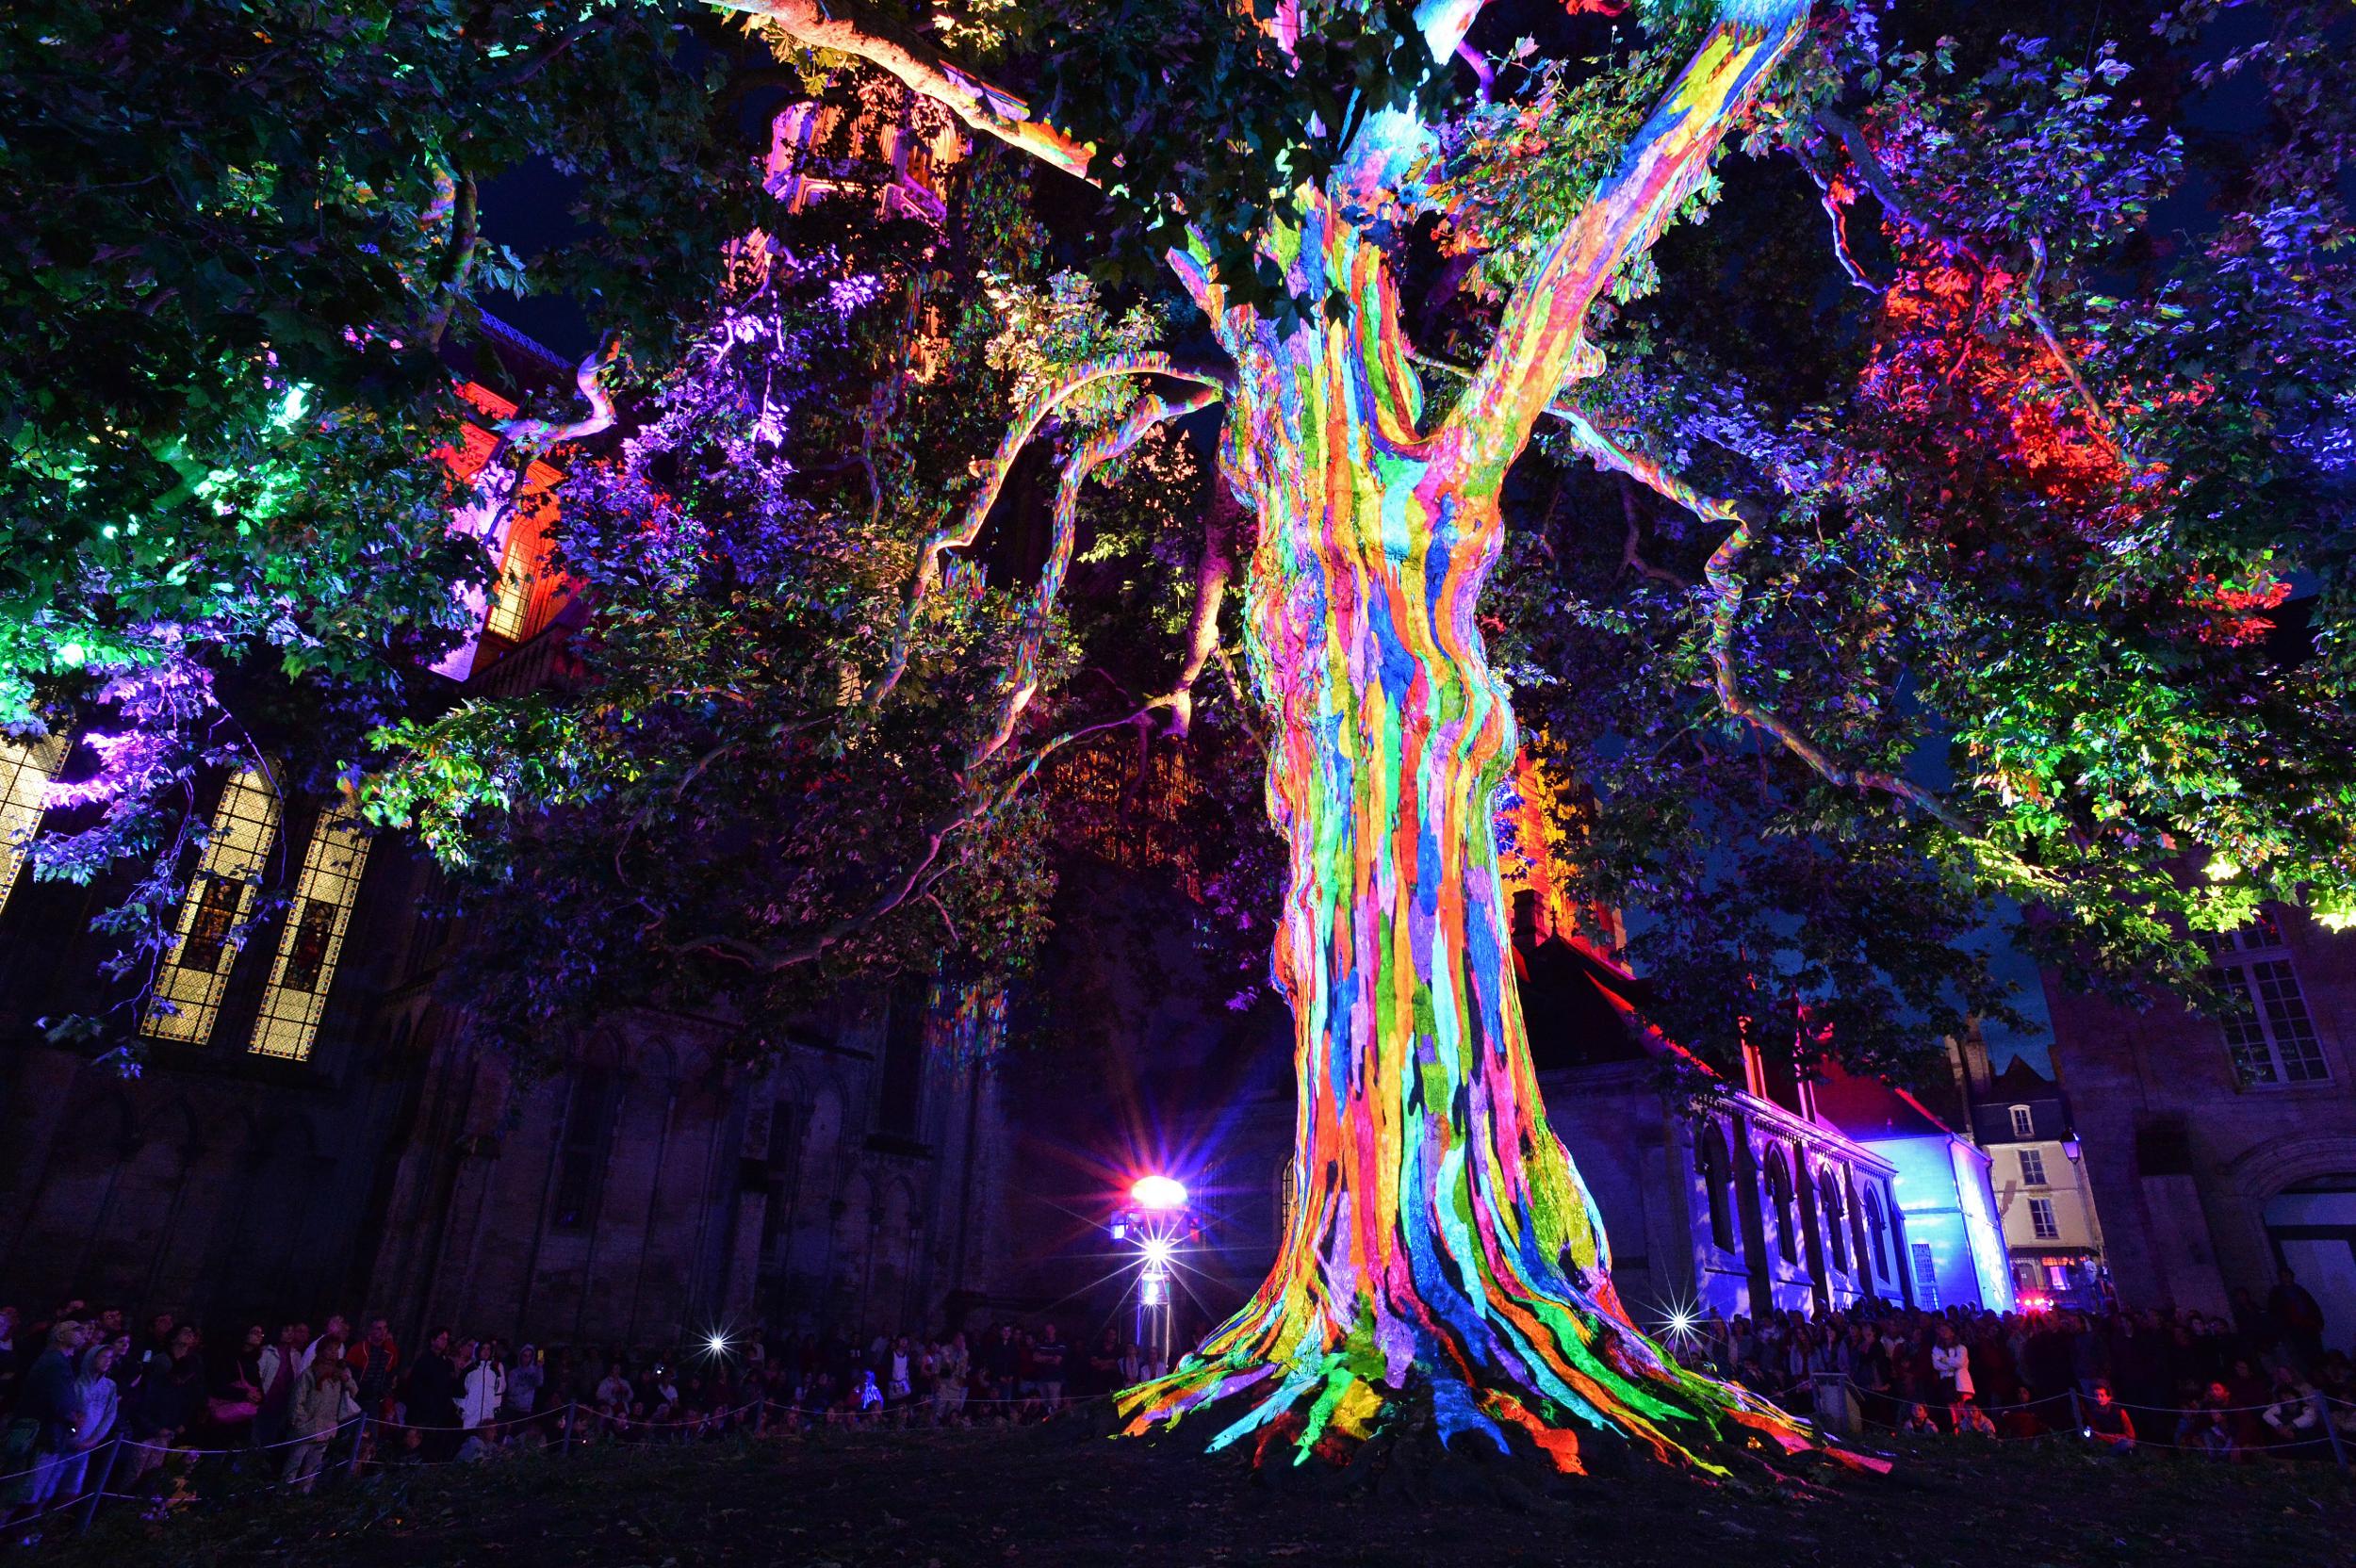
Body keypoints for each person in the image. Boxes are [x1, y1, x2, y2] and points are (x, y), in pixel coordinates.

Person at [1, 1320, 87, 1525]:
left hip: (42, 1432)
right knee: (21, 1490)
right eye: (76, 1330)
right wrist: (74, 1421)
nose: (82, 1333)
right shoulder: (55, 1363)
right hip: (42, 1436)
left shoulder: (55, 1362)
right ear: (60, 1335)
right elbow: (60, 1401)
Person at [123, 1325, 205, 1482]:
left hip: (166, 1431)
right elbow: (144, 1405)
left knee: (153, 1471)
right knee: (135, 1471)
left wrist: (178, 1424)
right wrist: (155, 1428)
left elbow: (185, 1404)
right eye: (185, 1332)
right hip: (147, 1431)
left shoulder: (185, 1382)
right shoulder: (158, 1367)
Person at [283, 1338, 359, 1493]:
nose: (334, 1353)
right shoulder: (310, 1373)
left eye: (336, 1350)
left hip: (326, 1428)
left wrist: (347, 1379)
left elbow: (354, 1391)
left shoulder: (338, 1375)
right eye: (330, 1349)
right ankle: (282, 1494)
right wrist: (301, 1422)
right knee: (294, 1463)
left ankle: (302, 1496)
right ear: (321, 1350)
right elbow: (297, 1400)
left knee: (313, 1467)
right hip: (307, 1427)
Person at [401, 1328, 463, 1460]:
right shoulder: (424, 1360)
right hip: (422, 1411)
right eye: (441, 1338)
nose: (444, 1341)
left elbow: (450, 1386)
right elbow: (415, 1386)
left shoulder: (446, 1363)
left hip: (438, 1413)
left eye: (446, 1339)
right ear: (433, 1340)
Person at [254, 1321, 307, 1450]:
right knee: (256, 1436)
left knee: (270, 1439)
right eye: (285, 1330)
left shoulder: (295, 1355)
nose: (289, 1334)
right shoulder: (267, 1352)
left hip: (282, 1403)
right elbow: (258, 1376)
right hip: (264, 1401)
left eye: (291, 1330)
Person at [2267, 1266, 2327, 1371]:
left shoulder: (2299, 1290)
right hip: (2293, 1329)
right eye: (2283, 1276)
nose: (2286, 1277)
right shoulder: (2276, 1293)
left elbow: (2312, 1306)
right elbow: (2274, 1312)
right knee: (2303, 1355)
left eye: (2288, 1275)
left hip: (2309, 1326)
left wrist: (2318, 1322)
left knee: (2316, 1352)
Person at [349, 1318, 400, 1419]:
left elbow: (392, 1373)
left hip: (375, 1399)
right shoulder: (358, 1348)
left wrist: (385, 1392)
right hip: (356, 1397)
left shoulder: (391, 1350)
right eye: (379, 1329)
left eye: (385, 1328)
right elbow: (349, 1371)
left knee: (370, 1431)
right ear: (371, 1330)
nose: (383, 1332)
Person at [460, 1340, 505, 1432]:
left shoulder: (495, 1371)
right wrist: (463, 1411)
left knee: (484, 1442)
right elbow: (460, 1392)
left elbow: (498, 1393)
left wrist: (496, 1410)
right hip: (471, 1416)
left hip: (487, 1416)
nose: (486, 1351)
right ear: (478, 1351)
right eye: (483, 1349)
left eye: (488, 1349)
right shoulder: (469, 1370)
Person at [2082, 1380, 2135, 1454]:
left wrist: (2107, 1437)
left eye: (2102, 1395)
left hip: (2119, 1441)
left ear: (2108, 1397)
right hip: (2104, 1442)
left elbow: (2131, 1436)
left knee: (2127, 1444)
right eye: (2096, 1395)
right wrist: (2089, 1431)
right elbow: (2095, 1431)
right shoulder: (2095, 1412)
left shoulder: (2120, 1412)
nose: (2099, 1398)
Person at [1031, 1323, 1066, 1416]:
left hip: (1055, 1379)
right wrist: (1050, 1358)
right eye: (1047, 1330)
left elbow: (1057, 1361)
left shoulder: (1060, 1343)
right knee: (1043, 1405)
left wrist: (1043, 1358)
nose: (1049, 1332)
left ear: (1054, 1330)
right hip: (1042, 1378)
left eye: (1050, 1329)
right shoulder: (1040, 1343)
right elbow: (1035, 1358)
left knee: (1054, 1405)